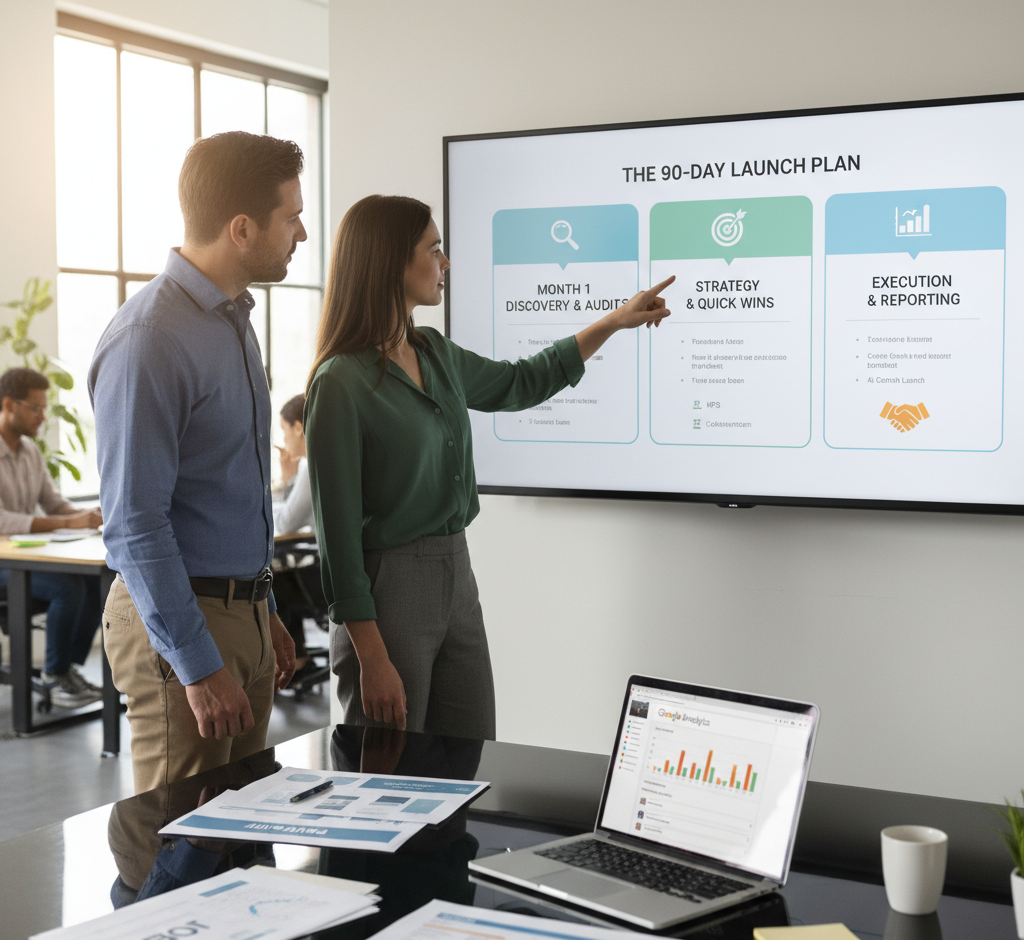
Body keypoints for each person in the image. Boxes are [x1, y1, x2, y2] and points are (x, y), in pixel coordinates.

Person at [304, 194, 672, 739]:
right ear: (390, 263)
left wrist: (614, 322)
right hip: (389, 590)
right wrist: (372, 658)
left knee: (471, 756)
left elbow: (522, 380)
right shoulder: (340, 381)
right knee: (390, 778)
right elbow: (336, 539)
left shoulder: (433, 351)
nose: (446, 263)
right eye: (434, 250)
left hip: (457, 573)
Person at [88, 131, 299, 793]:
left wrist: (261, 609)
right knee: (176, 843)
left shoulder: (232, 318)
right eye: (291, 218)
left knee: (234, 838)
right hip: (181, 620)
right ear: (241, 228)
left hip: (241, 610)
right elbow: (134, 525)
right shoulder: (150, 337)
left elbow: (224, 487)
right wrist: (198, 665)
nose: (301, 234)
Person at [0, 367, 104, 706]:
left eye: (44, 407)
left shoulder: (30, 452)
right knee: (67, 586)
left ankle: (65, 671)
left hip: (26, 560)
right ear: (9, 405)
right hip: (4, 564)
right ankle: (54, 675)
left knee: (93, 584)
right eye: (36, 407)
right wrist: (72, 524)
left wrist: (91, 517)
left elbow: (54, 503)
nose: (43, 416)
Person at [273, 394, 313, 535]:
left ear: (298, 428)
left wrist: (261, 509)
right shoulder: (309, 465)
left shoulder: (310, 468)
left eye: (284, 430)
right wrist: (288, 478)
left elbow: (286, 523)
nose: (284, 439)